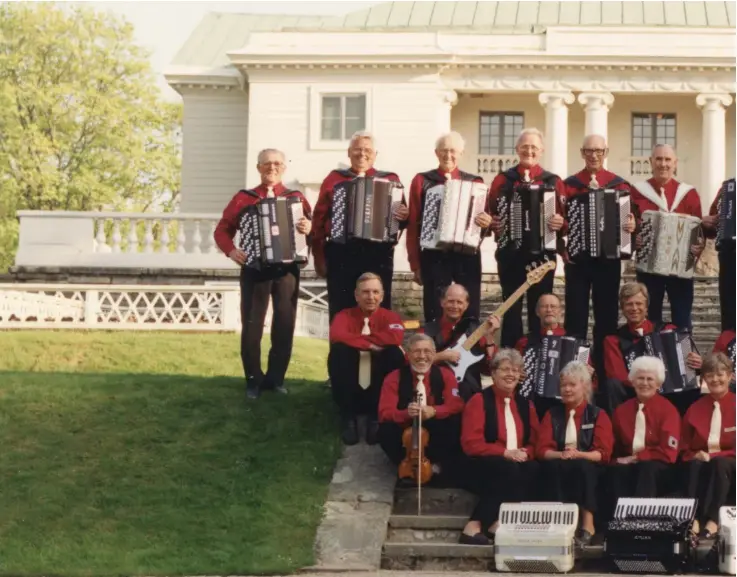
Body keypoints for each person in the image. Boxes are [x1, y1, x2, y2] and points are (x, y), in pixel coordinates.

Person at [213, 148, 313, 400]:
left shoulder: (296, 197)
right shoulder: (244, 198)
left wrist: (309, 226)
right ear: (258, 168)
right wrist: (232, 251)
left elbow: (314, 225)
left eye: (277, 163)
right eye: (267, 164)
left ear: (284, 168)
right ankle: (253, 381)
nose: (272, 167)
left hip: (287, 269)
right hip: (255, 270)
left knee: (285, 324)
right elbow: (222, 230)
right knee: (252, 325)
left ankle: (276, 379)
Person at [312, 131, 408, 321]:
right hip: (342, 252)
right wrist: (319, 257)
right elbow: (319, 220)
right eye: (357, 149)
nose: (362, 154)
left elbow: (402, 219)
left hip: (378, 253)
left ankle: (378, 349)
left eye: (367, 150)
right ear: (349, 152)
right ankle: (341, 350)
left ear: (375, 154)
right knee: (341, 308)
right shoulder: (334, 178)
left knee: (380, 309)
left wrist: (404, 216)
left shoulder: (390, 179)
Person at [563, 135, 636, 381]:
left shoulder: (619, 185)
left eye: (599, 151)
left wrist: (630, 229)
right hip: (578, 262)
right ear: (582, 152)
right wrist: (564, 243)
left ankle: (605, 375)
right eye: (589, 151)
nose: (594, 155)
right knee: (576, 318)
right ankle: (577, 373)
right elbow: (558, 223)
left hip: (608, 262)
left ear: (606, 152)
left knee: (606, 319)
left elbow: (630, 223)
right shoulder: (569, 185)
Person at [488, 128, 566, 348]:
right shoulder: (503, 180)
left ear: (541, 151)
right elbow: (490, 212)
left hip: (543, 256)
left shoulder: (553, 181)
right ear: (517, 149)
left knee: (541, 309)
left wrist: (561, 224)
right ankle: (510, 358)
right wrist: (495, 223)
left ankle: (538, 354)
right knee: (510, 309)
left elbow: (567, 220)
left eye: (533, 147)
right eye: (524, 146)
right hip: (510, 255)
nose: (529, 151)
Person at [406, 131, 491, 322]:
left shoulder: (475, 182)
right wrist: (415, 264)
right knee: (435, 309)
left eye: (453, 151)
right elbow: (413, 223)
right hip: (434, 253)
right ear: (436, 153)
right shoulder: (422, 181)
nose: (448, 156)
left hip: (466, 253)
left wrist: (486, 222)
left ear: (461, 154)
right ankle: (436, 350)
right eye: (444, 151)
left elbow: (485, 223)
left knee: (470, 309)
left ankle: (468, 349)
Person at [460, 349, 540, 546]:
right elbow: (471, 443)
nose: (510, 374)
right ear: (493, 373)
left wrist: (525, 452)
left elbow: (536, 441)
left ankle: (499, 522)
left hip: (515, 462)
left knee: (533, 468)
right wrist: (505, 453)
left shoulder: (526, 405)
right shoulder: (479, 400)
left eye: (515, 370)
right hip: (479, 463)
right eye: (505, 369)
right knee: (507, 469)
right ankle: (474, 525)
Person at [535, 361, 614, 545]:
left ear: (585, 387)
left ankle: (588, 525)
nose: (567, 389)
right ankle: (558, 525)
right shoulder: (551, 414)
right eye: (563, 385)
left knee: (584, 467)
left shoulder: (597, 414)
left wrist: (579, 454)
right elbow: (542, 450)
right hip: (561, 460)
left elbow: (603, 454)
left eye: (572, 385)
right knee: (554, 466)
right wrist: (561, 454)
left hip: (588, 463)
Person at [631, 144, 705, 331]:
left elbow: (699, 232)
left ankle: (681, 357)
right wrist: (634, 240)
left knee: (682, 319)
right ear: (650, 162)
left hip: (680, 270)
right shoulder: (637, 191)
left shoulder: (688, 193)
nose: (663, 164)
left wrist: (698, 248)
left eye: (667, 160)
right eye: (658, 159)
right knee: (648, 318)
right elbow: (627, 225)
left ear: (675, 163)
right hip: (648, 268)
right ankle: (648, 356)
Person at [328, 273, 406, 445]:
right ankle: (348, 417)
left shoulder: (391, 317)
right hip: (352, 385)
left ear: (382, 295)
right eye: (365, 292)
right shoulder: (344, 315)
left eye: (375, 292)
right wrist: (370, 345)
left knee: (394, 353)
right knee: (339, 351)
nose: (371, 297)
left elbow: (395, 337)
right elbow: (336, 335)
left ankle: (376, 417)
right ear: (356, 295)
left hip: (377, 387)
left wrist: (355, 340)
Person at [377, 333, 465, 485]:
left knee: (454, 422)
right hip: (405, 430)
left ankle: (435, 464)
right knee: (386, 430)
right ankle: (405, 464)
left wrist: (434, 411)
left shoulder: (446, 375)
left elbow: (456, 404)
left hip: (433, 427)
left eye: (427, 351)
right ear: (409, 354)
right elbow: (384, 412)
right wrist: (405, 413)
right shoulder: (394, 377)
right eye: (417, 351)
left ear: (434, 353)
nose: (422, 356)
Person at [602, 282, 701, 414]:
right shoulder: (613, 340)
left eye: (639, 304)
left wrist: (697, 363)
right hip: (633, 392)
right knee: (611, 385)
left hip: (668, 392)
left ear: (647, 307)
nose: (634, 308)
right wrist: (646, 384)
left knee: (693, 385)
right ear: (623, 308)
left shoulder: (667, 330)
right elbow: (617, 375)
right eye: (629, 304)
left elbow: (688, 366)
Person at [609, 356, 681, 508]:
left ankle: (641, 518)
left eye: (650, 379)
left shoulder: (668, 410)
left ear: (659, 384)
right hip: (630, 464)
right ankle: (618, 520)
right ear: (633, 381)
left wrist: (637, 458)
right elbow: (614, 445)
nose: (645, 383)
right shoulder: (622, 411)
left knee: (648, 467)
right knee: (616, 470)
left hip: (659, 469)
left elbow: (669, 453)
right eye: (640, 378)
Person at [680, 353, 736, 540]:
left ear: (730, 376)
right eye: (710, 374)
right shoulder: (695, 408)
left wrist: (713, 456)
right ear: (703, 378)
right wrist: (694, 455)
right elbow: (684, 445)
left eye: (720, 374)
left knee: (720, 464)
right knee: (694, 465)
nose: (715, 379)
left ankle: (714, 521)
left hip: (730, 463)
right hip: (702, 462)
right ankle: (694, 519)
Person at [419, 283, 500, 401]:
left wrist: (490, 338)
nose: (455, 306)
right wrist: (439, 356)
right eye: (451, 301)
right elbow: (410, 362)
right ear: (442, 302)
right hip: (435, 393)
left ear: (466, 305)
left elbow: (490, 370)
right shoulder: (427, 331)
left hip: (468, 395)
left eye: (459, 302)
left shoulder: (475, 331)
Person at [702, 178, 736, 332]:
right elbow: (712, 228)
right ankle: (731, 350)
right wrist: (711, 223)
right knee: (730, 312)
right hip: (730, 258)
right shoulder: (729, 188)